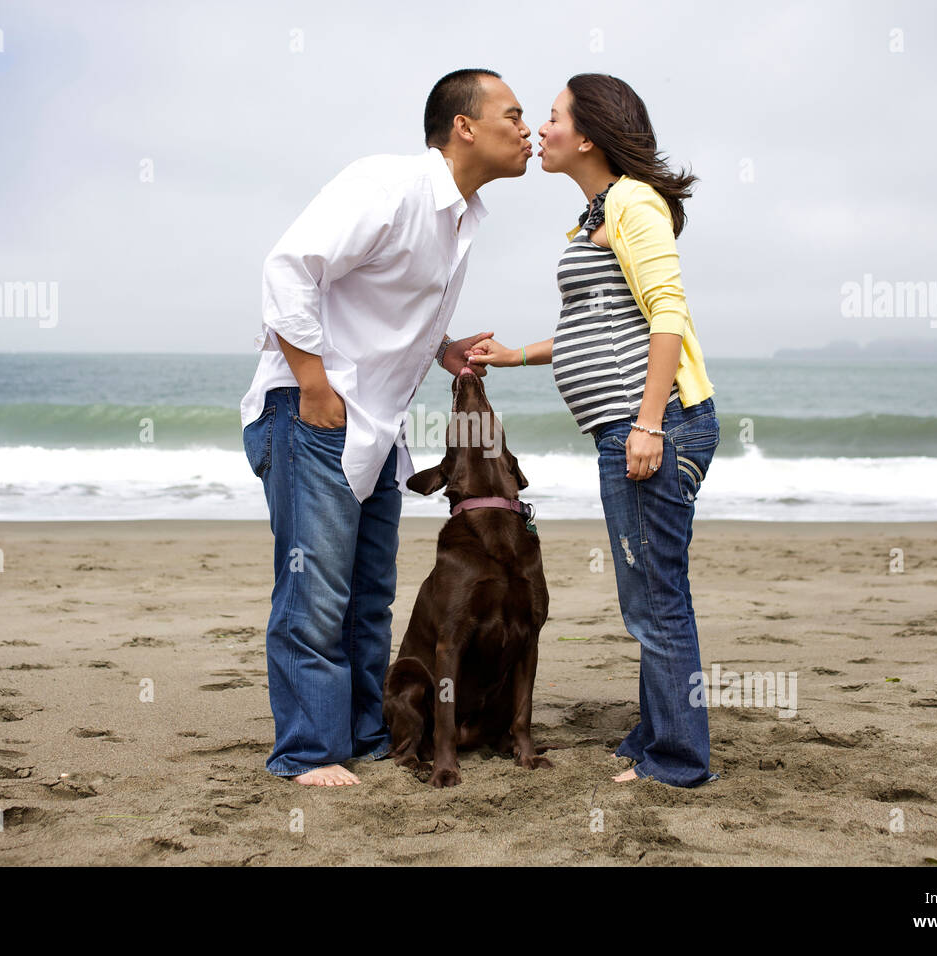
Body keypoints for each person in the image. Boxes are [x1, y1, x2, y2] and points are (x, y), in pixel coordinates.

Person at [239, 69, 533, 786]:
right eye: (514, 115)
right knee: (315, 595)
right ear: (464, 126)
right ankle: (307, 752)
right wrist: (312, 383)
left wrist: (445, 348)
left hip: (377, 428)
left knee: (370, 598)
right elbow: (288, 270)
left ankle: (365, 736)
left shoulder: (463, 219)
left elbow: (383, 308)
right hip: (314, 413)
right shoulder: (389, 186)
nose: (528, 131)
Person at [466, 73, 719, 787]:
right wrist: (513, 354)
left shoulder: (636, 204)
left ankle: (677, 761)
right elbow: (593, 325)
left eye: (550, 119)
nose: (538, 131)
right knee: (646, 591)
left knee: (656, 595)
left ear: (587, 135)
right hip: (630, 428)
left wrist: (647, 425)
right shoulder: (590, 217)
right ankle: (655, 733)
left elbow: (667, 314)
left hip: (653, 428)